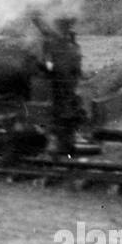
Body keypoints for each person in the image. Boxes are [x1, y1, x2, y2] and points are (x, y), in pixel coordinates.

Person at [32, 12, 85, 156]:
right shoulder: (70, 41)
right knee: (64, 114)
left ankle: (57, 145)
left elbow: (47, 63)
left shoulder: (55, 40)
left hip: (58, 85)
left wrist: (47, 69)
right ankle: (65, 144)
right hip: (68, 84)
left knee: (57, 115)